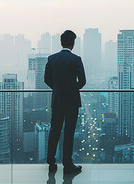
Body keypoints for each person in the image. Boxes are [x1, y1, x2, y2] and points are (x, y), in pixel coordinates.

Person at [44, 30, 86, 174]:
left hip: (57, 100)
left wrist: (57, 89)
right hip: (72, 102)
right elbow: (82, 81)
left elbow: (46, 80)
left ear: (61, 42)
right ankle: (67, 165)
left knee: (54, 131)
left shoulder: (52, 59)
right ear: (73, 43)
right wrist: (71, 90)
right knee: (69, 133)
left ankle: (51, 162)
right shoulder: (76, 59)